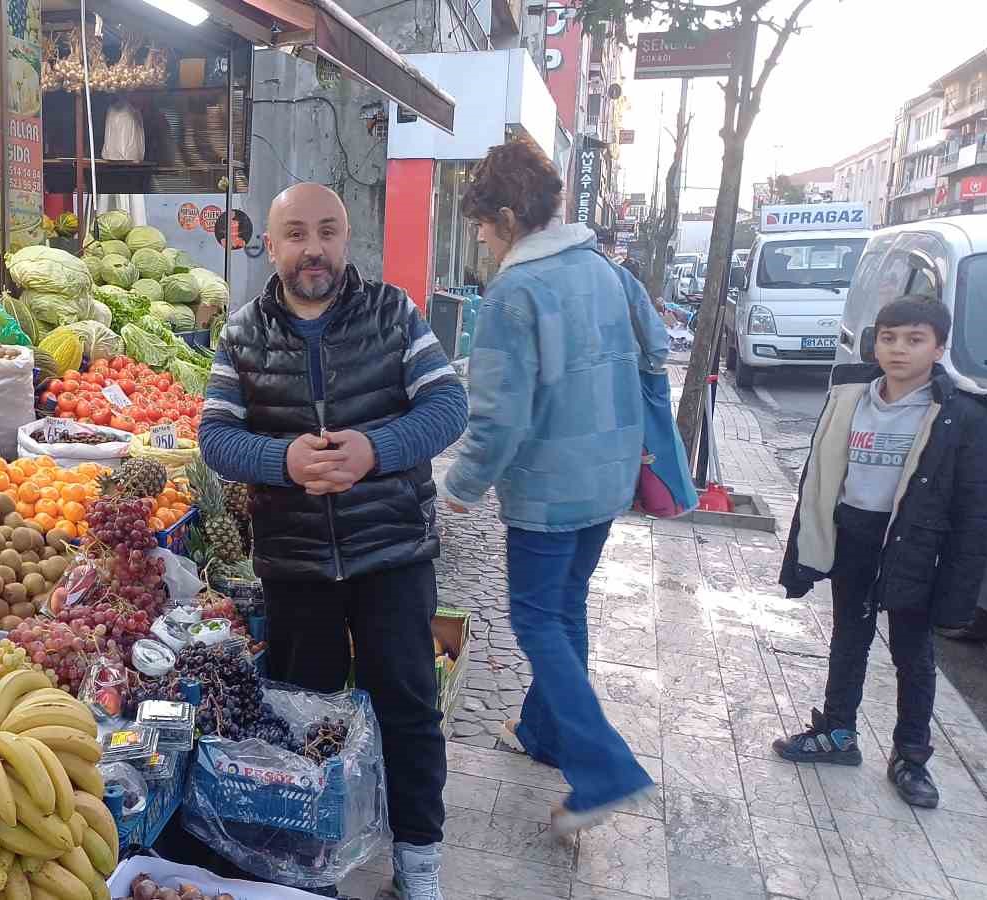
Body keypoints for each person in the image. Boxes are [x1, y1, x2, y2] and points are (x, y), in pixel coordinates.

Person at [199, 183, 468, 900]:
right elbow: (216, 437)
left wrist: (375, 450)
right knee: (302, 718)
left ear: (346, 239)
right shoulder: (243, 333)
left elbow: (448, 405)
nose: (312, 248)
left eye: (326, 231)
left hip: (393, 556)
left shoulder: (394, 313)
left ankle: (418, 864)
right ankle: (308, 865)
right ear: (273, 246)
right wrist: (280, 461)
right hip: (296, 567)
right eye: (295, 234)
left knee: (408, 708)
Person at [441, 139, 667, 836]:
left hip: (547, 491)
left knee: (537, 618)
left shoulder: (516, 291)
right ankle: (543, 733)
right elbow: (656, 346)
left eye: (481, 223)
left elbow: (498, 414)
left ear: (509, 216)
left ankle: (605, 770)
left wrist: (463, 483)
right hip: (608, 478)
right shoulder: (603, 269)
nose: (478, 237)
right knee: (566, 608)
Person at [772, 296, 987, 808]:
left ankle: (911, 756)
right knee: (849, 637)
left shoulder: (960, 415)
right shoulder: (850, 397)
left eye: (915, 340)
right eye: (888, 338)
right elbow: (821, 475)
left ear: (939, 348)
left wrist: (960, 586)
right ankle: (838, 734)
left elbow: (972, 510)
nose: (898, 350)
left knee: (912, 653)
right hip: (854, 537)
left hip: (916, 548)